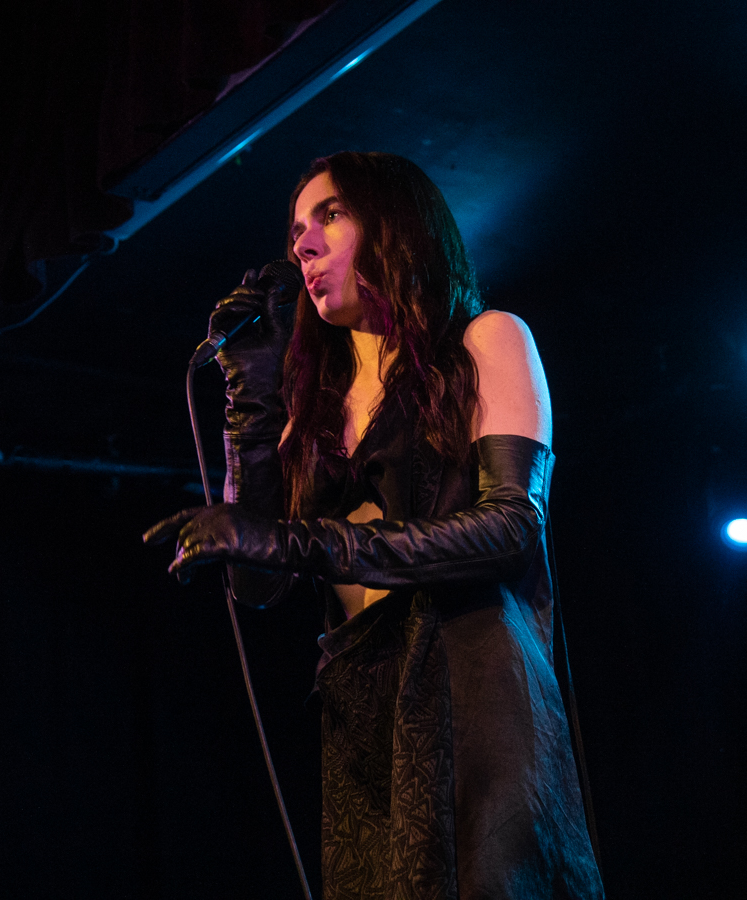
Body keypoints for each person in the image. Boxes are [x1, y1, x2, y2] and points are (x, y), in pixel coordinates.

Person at [145, 152, 604, 899]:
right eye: (296, 230)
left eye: (330, 216)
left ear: (397, 225)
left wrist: (311, 542)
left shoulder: (486, 340)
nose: (304, 244)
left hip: (467, 672)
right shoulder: (313, 416)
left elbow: (511, 525)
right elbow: (257, 581)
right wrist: (252, 407)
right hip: (362, 697)